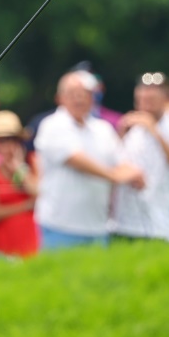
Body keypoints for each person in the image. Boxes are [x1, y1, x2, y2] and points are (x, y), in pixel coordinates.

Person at [34, 71, 144, 250]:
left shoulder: (103, 129)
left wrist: (134, 174)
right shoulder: (51, 125)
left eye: (84, 94)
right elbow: (76, 160)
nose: (79, 99)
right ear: (60, 98)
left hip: (98, 227)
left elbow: (120, 160)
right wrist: (114, 176)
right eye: (72, 94)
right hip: (59, 226)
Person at [111, 73, 169, 242]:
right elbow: (112, 164)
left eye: (153, 96)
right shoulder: (131, 128)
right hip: (122, 224)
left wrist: (155, 131)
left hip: (159, 227)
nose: (147, 99)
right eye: (143, 96)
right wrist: (120, 136)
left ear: (167, 99)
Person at [0, 111, 39, 257]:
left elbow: (39, 193)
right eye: (0, 141)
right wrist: (26, 205)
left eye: (11, 139)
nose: (6, 145)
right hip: (5, 237)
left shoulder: (33, 162)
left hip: (33, 233)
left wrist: (19, 169)